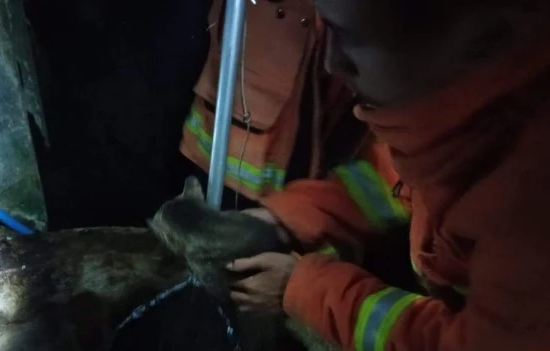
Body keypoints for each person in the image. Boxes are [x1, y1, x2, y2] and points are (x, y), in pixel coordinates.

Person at [227, 0, 550, 350]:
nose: (332, 63)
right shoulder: (458, 110)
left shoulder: (530, 204)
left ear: (485, 36)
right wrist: (289, 217)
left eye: (350, 38)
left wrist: (305, 290)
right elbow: (398, 179)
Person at [179, 0, 409, 261]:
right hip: (228, 171)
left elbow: (400, 175)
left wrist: (287, 221)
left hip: (323, 223)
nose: (336, 62)